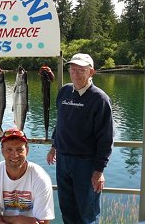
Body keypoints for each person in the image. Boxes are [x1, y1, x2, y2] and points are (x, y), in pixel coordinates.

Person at [47, 53, 114, 224]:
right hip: (62, 160)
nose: (75, 73)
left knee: (88, 214)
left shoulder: (100, 99)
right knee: (67, 210)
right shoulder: (64, 91)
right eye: (73, 69)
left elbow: (106, 139)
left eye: (81, 70)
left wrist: (99, 171)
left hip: (86, 164)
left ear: (91, 72)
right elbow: (61, 123)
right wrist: (54, 146)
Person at [0, 128, 55, 224]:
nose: (15, 155)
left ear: (27, 150)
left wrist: (6, 219)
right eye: (9, 149)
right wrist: (20, 220)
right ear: (2, 151)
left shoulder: (41, 178)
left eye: (19, 149)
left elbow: (44, 222)